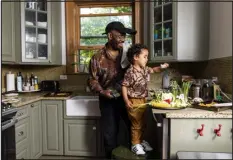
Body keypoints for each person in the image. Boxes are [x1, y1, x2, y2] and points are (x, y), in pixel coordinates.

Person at [88, 21, 137, 159]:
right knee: (110, 135)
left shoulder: (128, 54)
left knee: (133, 129)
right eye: (120, 36)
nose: (123, 39)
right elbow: (92, 80)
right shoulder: (97, 58)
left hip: (127, 98)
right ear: (110, 36)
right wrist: (102, 92)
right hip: (107, 100)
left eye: (125, 36)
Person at [122, 44, 169, 155]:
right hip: (134, 100)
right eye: (145, 56)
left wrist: (161, 67)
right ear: (136, 57)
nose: (147, 59)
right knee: (136, 124)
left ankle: (140, 142)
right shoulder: (130, 72)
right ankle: (135, 145)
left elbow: (153, 70)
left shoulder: (144, 69)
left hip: (142, 100)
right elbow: (124, 86)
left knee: (142, 123)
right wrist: (126, 100)